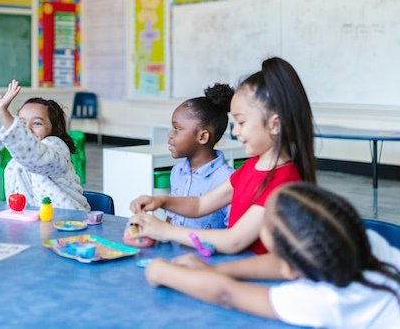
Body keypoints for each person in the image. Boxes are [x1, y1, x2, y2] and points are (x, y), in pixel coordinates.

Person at [144, 183, 400, 328]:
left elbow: (227, 294)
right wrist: (217, 270)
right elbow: (281, 264)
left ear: (290, 268)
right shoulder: (363, 241)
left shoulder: (321, 301)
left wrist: (160, 270)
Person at [129, 57, 316, 254]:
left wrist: (166, 231)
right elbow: (201, 204)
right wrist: (161, 201)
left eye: (241, 123)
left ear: (275, 124)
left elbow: (233, 240)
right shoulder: (252, 166)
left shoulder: (284, 181)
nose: (235, 132)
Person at [0, 80, 90, 211]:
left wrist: (4, 113)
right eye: (21, 122)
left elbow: (35, 156)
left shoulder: (56, 148)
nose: (27, 129)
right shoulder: (18, 160)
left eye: (37, 123)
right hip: (36, 222)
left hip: (70, 221)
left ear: (55, 128)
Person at [163, 83, 235, 229]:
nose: (170, 134)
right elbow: (171, 218)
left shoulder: (227, 180)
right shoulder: (177, 172)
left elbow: (232, 232)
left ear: (202, 136)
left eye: (177, 128)